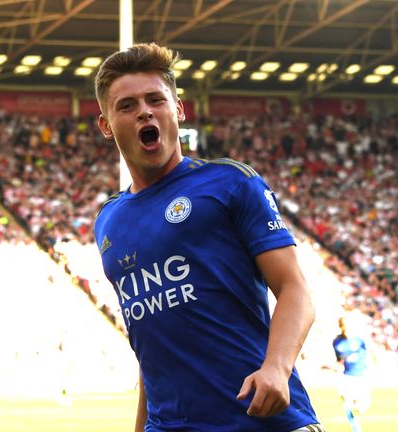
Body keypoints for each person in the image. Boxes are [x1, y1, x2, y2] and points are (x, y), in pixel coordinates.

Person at [93, 42, 322, 431]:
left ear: (178, 110)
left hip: (263, 420)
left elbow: (295, 289)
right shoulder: (108, 222)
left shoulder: (229, 182)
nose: (145, 111)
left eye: (156, 100)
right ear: (106, 125)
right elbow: (154, 348)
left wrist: (277, 368)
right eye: (127, 106)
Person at [332, 315, 371, 432]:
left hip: (362, 376)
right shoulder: (337, 342)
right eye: (343, 325)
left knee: (360, 407)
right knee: (346, 403)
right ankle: (356, 429)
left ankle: (359, 406)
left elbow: (369, 355)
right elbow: (339, 360)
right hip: (347, 376)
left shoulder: (359, 340)